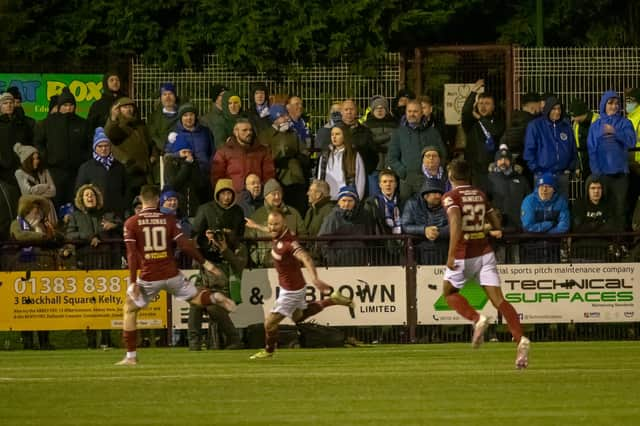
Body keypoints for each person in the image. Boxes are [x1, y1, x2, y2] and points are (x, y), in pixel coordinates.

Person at [115, 185, 236, 365]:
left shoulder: (131, 223)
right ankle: (214, 297)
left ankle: (131, 356)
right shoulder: (168, 220)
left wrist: (133, 281)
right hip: (171, 273)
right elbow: (185, 245)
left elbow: (132, 255)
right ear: (157, 200)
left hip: (149, 276)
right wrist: (207, 264)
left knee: (129, 310)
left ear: (141, 199)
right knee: (196, 298)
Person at [440, 158, 530, 369]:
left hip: (464, 252)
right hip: (485, 251)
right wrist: (493, 228)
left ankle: (477, 318)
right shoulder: (479, 194)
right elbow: (494, 217)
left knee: (449, 293)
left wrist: (451, 253)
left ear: (451, 176)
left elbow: (455, 224)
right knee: (499, 300)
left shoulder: (450, 196)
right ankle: (520, 339)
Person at [249, 209, 354, 359]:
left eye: (276, 224)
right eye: (270, 224)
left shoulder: (289, 243)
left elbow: (306, 258)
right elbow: (269, 230)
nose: (272, 227)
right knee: (298, 317)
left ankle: (268, 351)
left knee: (269, 324)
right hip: (295, 286)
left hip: (291, 291)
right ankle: (332, 300)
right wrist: (256, 226)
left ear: (283, 223)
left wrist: (315, 278)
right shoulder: (277, 235)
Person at [587, 90, 636, 228]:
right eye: (610, 103)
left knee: (620, 209)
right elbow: (592, 150)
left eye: (616, 103)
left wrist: (615, 132)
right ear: (604, 105)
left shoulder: (625, 123)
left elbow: (631, 142)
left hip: (620, 174)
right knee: (604, 209)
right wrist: (597, 173)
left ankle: (620, 243)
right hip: (602, 175)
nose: (614, 106)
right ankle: (606, 243)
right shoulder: (595, 126)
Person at [387, 99, 446, 202]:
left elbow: (442, 154)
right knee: (406, 213)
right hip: (407, 182)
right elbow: (391, 157)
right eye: (409, 111)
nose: (412, 114)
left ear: (421, 112)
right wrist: (403, 173)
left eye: (415, 111)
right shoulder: (399, 133)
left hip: (428, 180)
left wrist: (435, 173)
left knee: (427, 212)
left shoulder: (432, 132)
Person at [523, 95, 577, 198]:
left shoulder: (566, 127)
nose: (557, 112)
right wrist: (537, 170)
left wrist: (570, 168)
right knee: (543, 208)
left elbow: (573, 149)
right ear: (547, 109)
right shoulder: (535, 125)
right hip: (542, 175)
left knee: (561, 206)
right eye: (553, 109)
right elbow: (529, 151)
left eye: (559, 109)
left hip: (562, 175)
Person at [210, 118, 275, 194]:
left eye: (250, 130)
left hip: (257, 197)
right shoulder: (224, 151)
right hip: (233, 197)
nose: (249, 133)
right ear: (236, 132)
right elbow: (217, 177)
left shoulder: (262, 151)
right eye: (244, 130)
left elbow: (269, 175)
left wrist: (263, 192)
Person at [461, 79, 504, 191]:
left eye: (487, 103)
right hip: (475, 170)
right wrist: (474, 91)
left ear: (494, 106)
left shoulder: (498, 121)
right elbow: (465, 111)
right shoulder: (471, 123)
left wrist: (481, 118)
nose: (483, 106)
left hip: (493, 168)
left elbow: (494, 132)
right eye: (480, 103)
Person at [75, 127, 128, 218]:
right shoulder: (86, 168)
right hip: (95, 216)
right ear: (95, 148)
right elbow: (79, 192)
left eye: (106, 145)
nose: (103, 149)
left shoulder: (119, 167)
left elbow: (126, 190)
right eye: (100, 146)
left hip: (117, 215)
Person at [519, 173, 570, 263]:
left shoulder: (561, 201)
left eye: (548, 186)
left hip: (553, 249)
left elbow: (564, 226)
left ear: (554, 189)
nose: (544, 189)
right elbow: (528, 226)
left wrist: (547, 233)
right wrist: (549, 224)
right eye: (541, 186)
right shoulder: (529, 201)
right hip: (532, 248)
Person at [401, 179, 449, 264]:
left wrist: (439, 232)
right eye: (435, 193)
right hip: (419, 250)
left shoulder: (447, 204)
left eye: (440, 193)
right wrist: (424, 230)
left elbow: (454, 226)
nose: (438, 196)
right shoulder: (412, 204)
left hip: (443, 249)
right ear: (425, 196)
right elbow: (405, 226)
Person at [316, 123, 366, 201]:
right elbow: (320, 177)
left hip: (346, 199)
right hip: (328, 198)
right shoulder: (325, 155)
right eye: (332, 134)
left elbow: (360, 179)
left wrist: (357, 199)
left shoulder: (353, 155)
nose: (334, 137)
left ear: (345, 136)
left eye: (337, 134)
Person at [567, 97, 598, 177]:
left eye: (573, 116)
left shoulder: (599, 121)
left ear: (581, 114)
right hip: (585, 168)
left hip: (599, 168)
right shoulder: (576, 125)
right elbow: (576, 148)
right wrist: (578, 166)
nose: (572, 119)